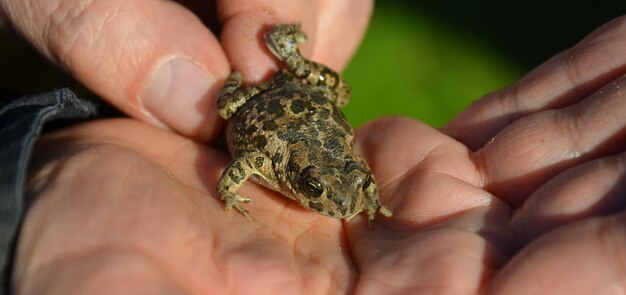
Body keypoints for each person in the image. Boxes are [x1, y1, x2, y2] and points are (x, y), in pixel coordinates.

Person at [1, 1, 625, 293]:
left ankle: (289, 54)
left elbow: (350, 172)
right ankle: (281, 57)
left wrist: (367, 193)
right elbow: (240, 165)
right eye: (326, 194)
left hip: (309, 116)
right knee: (226, 99)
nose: (341, 200)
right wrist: (231, 196)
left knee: (338, 86)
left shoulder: (346, 174)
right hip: (263, 109)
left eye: (345, 188)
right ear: (300, 183)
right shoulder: (272, 163)